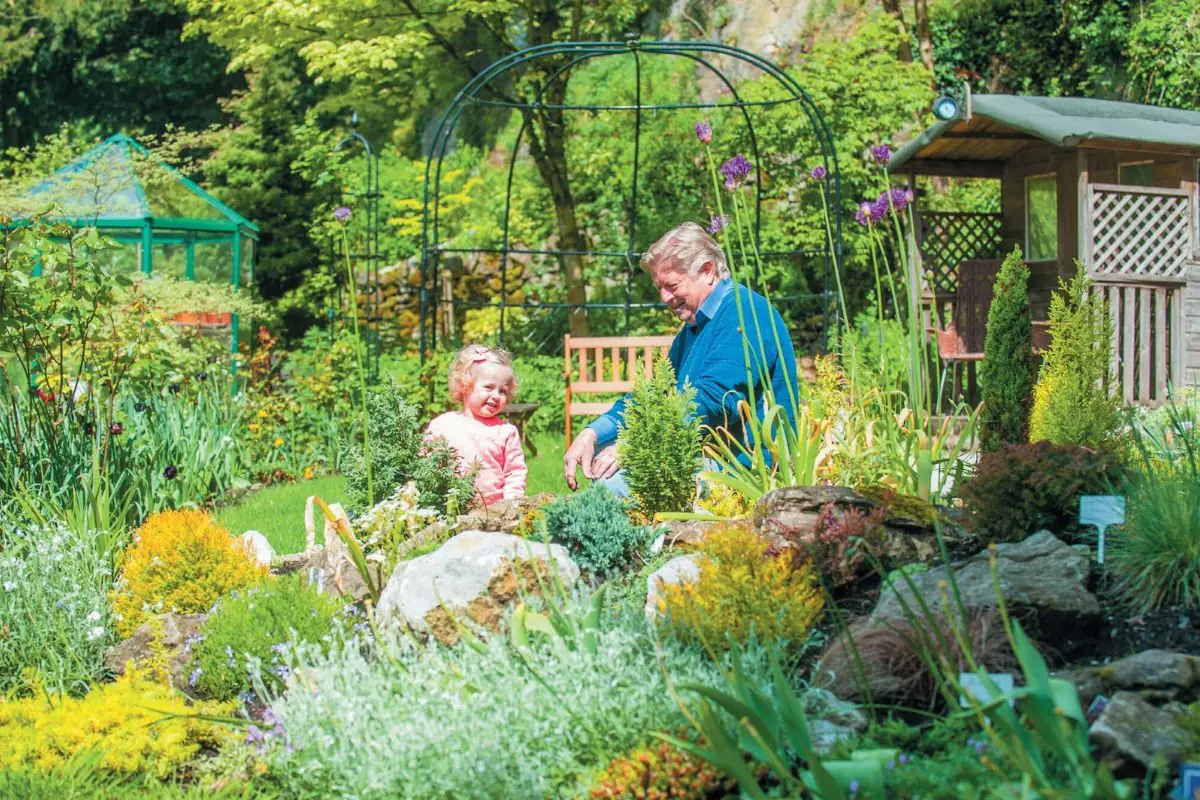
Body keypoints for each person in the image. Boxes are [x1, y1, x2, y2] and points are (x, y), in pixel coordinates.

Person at [562, 221, 798, 493]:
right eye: (659, 288)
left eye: (672, 285)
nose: (664, 297)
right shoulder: (694, 328)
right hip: (702, 455)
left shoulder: (745, 313)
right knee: (599, 454)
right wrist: (592, 432)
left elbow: (714, 401)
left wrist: (635, 442)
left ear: (707, 271)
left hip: (745, 468)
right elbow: (654, 397)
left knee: (613, 482)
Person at [427, 344, 527, 505]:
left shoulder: (506, 432)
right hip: (450, 509)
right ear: (465, 385)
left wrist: (511, 504)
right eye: (488, 387)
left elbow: (514, 473)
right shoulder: (443, 425)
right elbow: (426, 464)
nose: (496, 396)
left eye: (503, 391)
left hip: (495, 513)